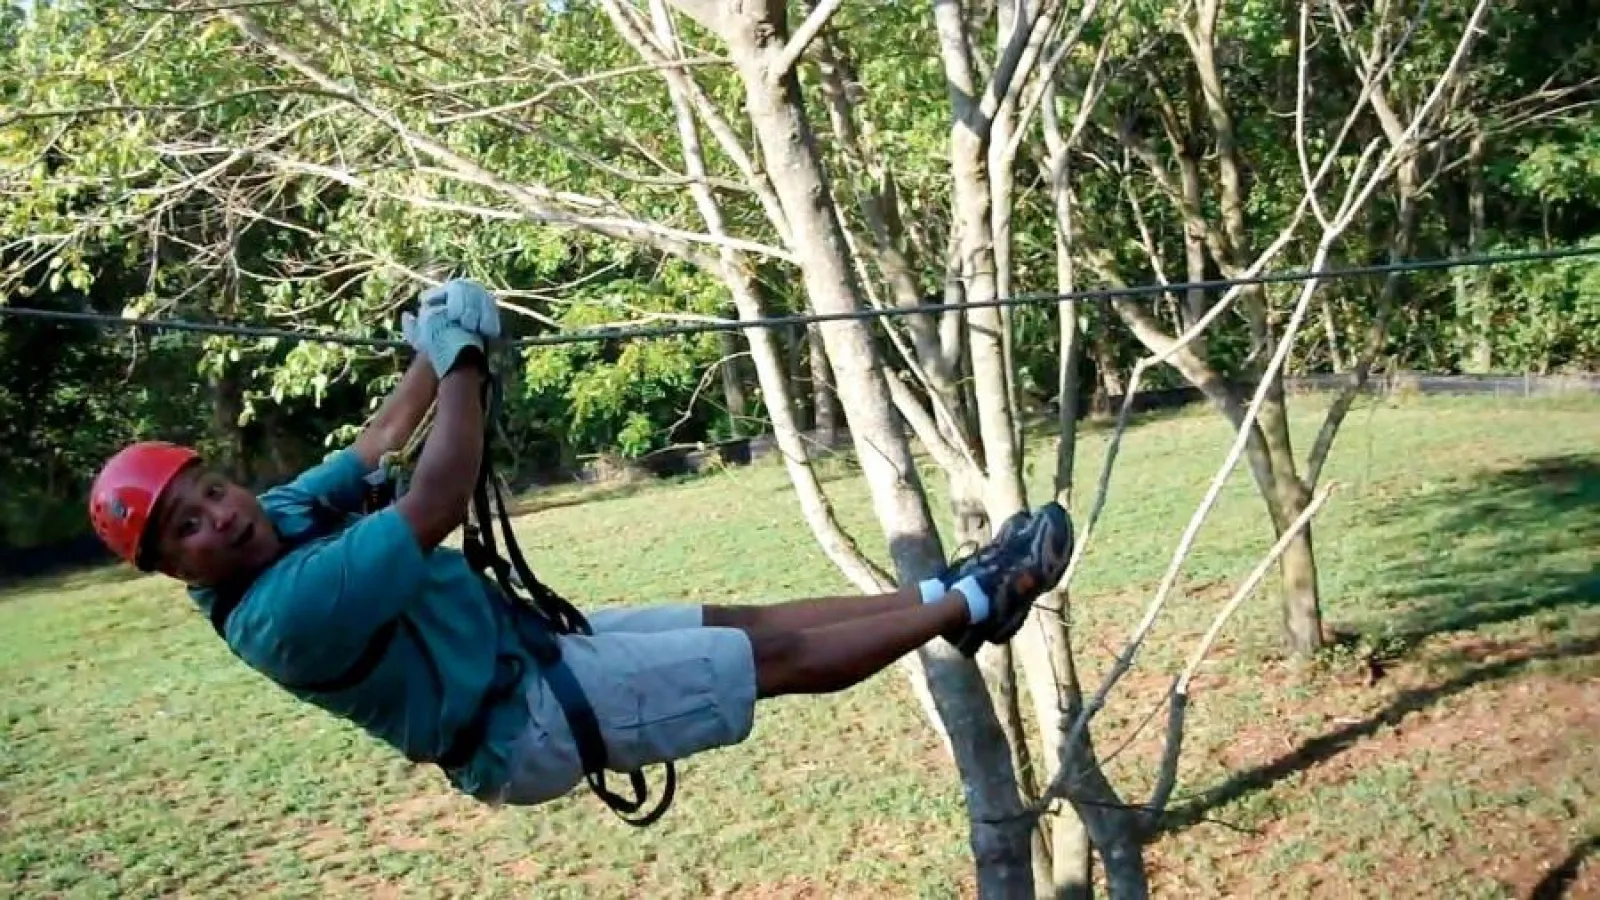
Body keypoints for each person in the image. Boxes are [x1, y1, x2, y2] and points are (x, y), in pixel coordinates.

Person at [86, 279, 1075, 812]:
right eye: (186, 527)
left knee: (743, 620)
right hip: (521, 726)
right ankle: (987, 598)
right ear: (175, 568)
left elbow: (381, 442)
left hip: (522, 656)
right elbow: (434, 496)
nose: (216, 515)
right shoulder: (277, 613)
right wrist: (465, 354)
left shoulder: (281, 516)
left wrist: (434, 343)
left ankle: (950, 592)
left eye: (207, 489)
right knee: (763, 660)